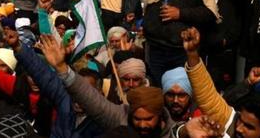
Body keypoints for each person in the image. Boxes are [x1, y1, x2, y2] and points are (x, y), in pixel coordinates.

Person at [39, 34, 176, 137]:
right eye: (137, 119)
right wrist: (62, 68)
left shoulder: (175, 132)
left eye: (148, 119)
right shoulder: (120, 120)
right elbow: (89, 98)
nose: (142, 125)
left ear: (159, 115)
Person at [179, 27, 260, 137]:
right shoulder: (230, 122)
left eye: (249, 127)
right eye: (240, 120)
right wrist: (192, 53)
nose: (238, 128)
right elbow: (207, 96)